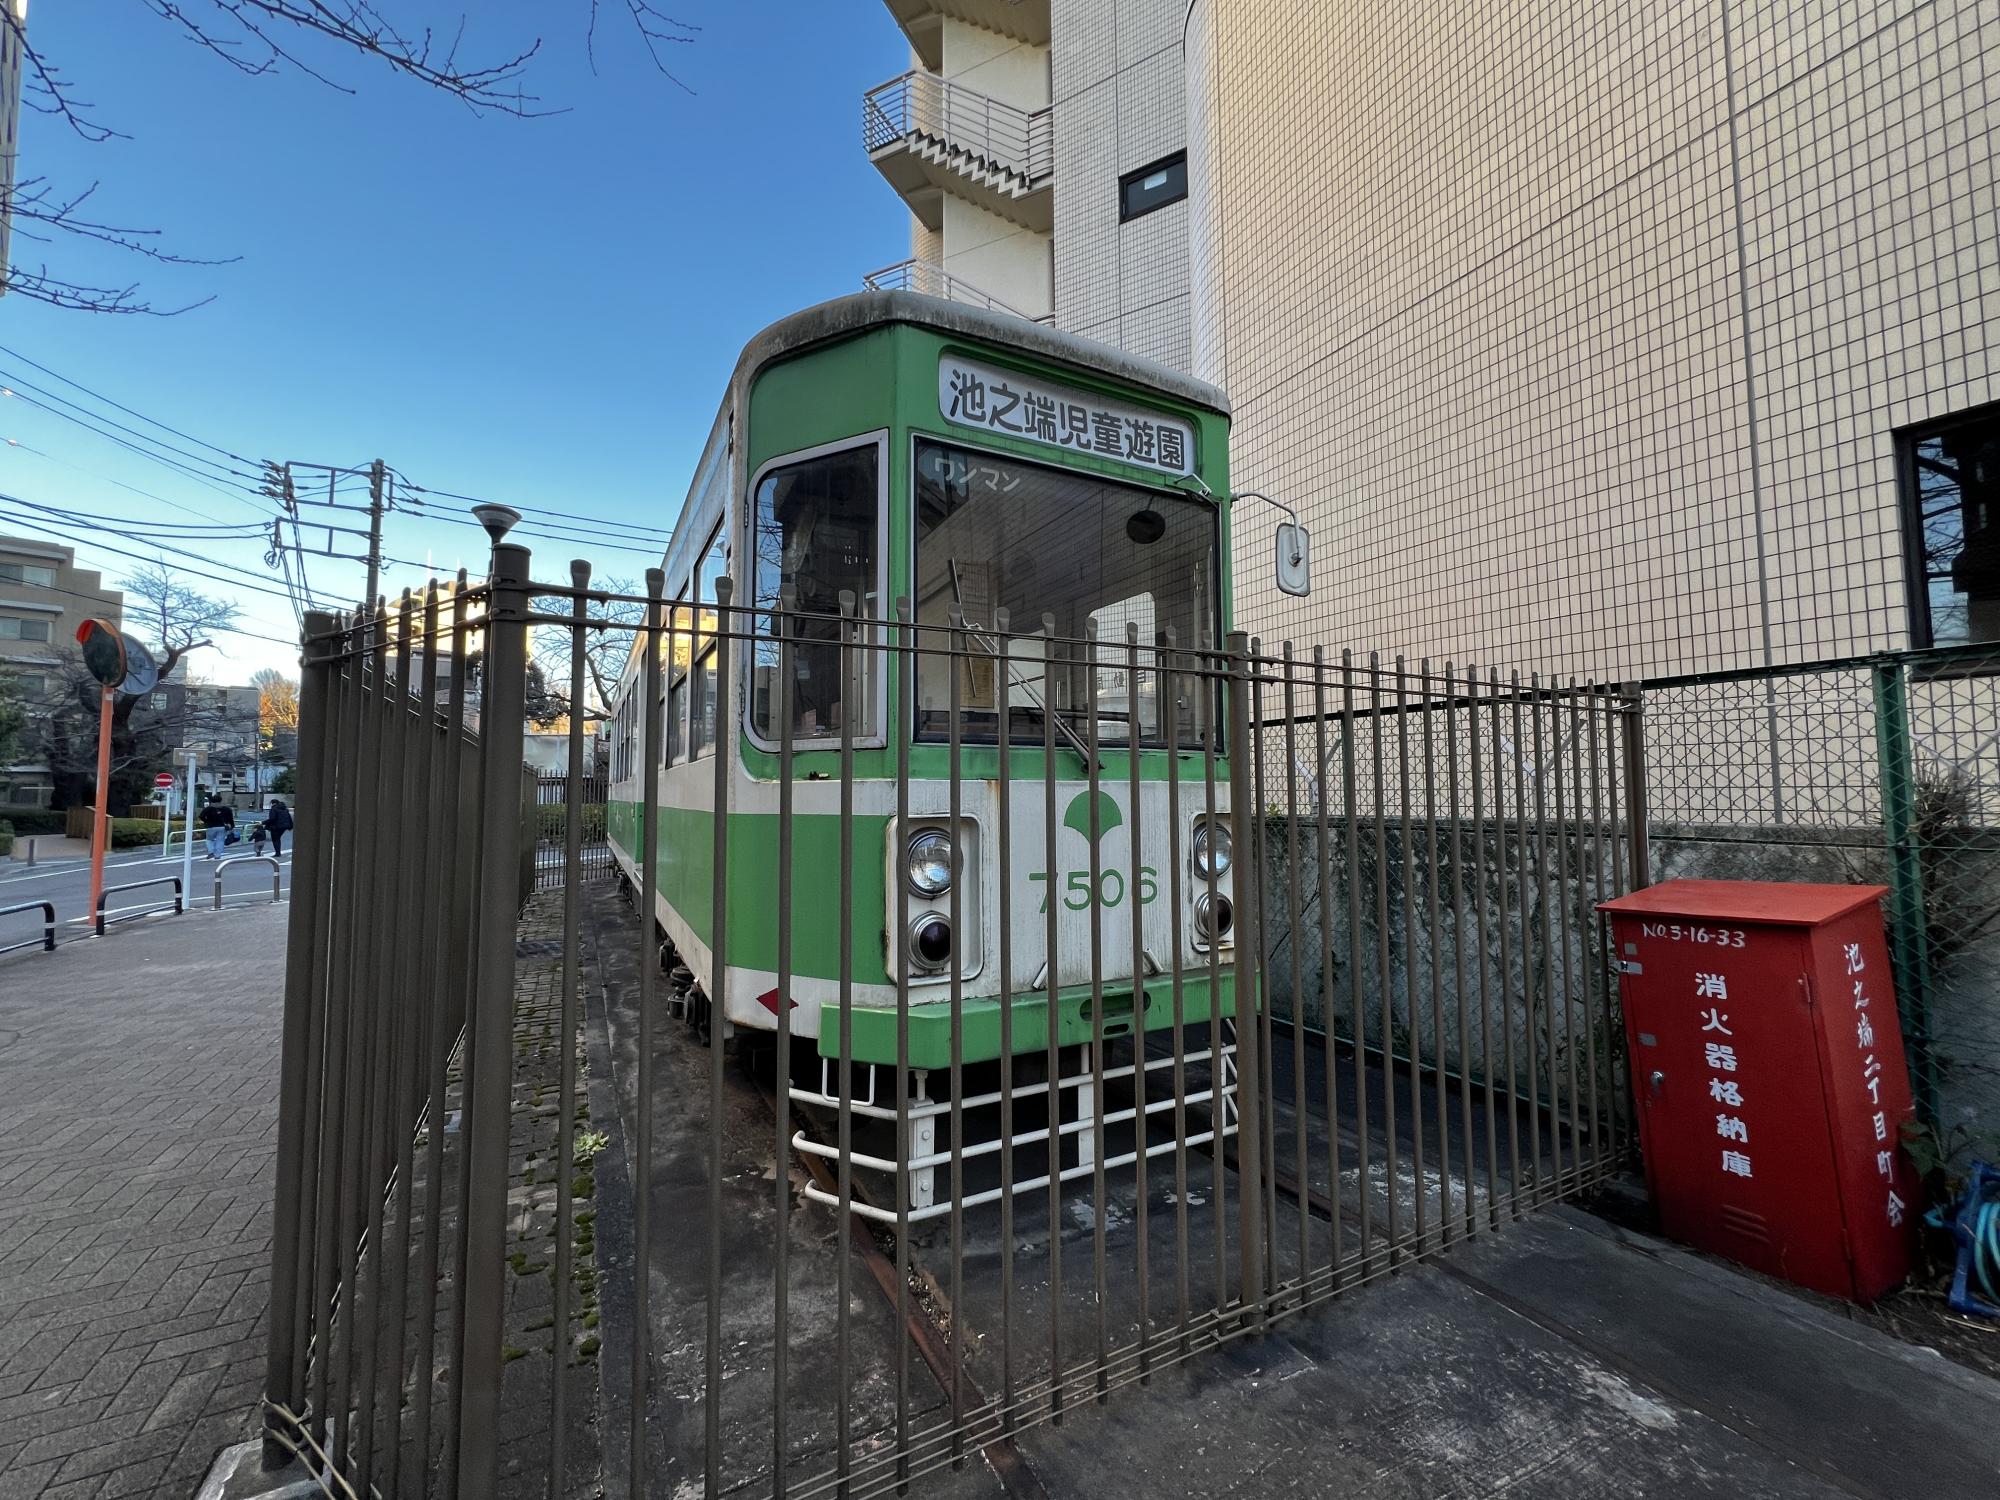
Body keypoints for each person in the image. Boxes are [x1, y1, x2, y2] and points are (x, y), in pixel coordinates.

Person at [199, 794, 235, 859]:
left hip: (211, 826)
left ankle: (211, 852)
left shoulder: (208, 809)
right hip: (223, 827)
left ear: (212, 800)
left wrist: (207, 821)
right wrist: (232, 826)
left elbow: (201, 816)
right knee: (220, 841)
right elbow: (230, 819)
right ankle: (218, 855)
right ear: (221, 800)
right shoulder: (226, 809)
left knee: (209, 840)